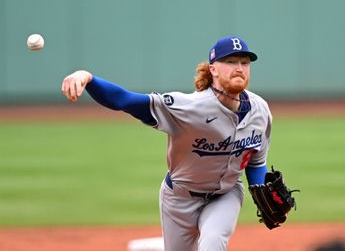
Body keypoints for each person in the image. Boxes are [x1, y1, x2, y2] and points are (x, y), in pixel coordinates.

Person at [61, 37, 273, 251]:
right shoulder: (188, 107)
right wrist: (87, 77)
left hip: (225, 195)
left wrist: (261, 189)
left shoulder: (260, 110)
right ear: (213, 69)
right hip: (180, 198)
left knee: (213, 242)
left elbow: (256, 162)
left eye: (244, 62)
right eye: (231, 61)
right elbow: (124, 101)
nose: (239, 68)